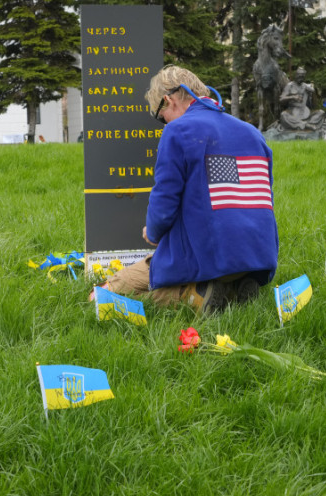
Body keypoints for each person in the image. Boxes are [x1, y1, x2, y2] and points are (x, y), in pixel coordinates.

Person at [97, 65, 279, 314]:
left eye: (160, 117)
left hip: (209, 254)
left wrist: (153, 231)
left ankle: (192, 296)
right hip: (257, 257)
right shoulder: (252, 133)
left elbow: (164, 199)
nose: (164, 123)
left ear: (168, 100)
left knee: (105, 293)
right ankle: (236, 290)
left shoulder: (179, 131)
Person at [278, 67, 322, 131]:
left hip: (305, 111)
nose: (300, 78)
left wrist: (313, 93)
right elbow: (281, 99)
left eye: (302, 77)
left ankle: (301, 125)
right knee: (283, 115)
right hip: (292, 111)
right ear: (295, 75)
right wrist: (293, 97)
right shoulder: (290, 85)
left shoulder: (306, 86)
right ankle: (306, 125)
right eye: (299, 76)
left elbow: (314, 103)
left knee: (321, 112)